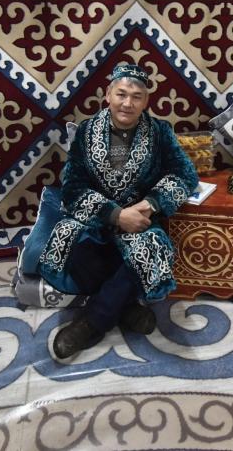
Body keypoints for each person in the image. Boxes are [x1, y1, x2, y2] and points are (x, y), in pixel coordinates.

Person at [36, 63, 198, 359]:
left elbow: (185, 176)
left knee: (150, 249)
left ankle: (92, 323)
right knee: (72, 248)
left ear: (146, 101)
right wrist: (113, 215)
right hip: (95, 220)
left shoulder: (159, 132)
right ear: (108, 95)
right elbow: (72, 188)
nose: (128, 103)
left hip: (140, 222)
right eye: (121, 94)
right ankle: (125, 309)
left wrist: (150, 204)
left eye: (136, 96)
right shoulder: (86, 132)